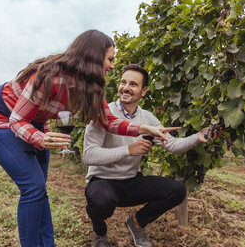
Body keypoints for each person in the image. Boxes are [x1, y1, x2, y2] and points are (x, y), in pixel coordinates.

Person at [0, 30, 175, 247]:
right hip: (0, 118)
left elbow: (109, 121)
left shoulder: (92, 88)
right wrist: (40, 138)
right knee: (33, 187)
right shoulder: (49, 78)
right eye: (110, 59)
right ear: (94, 57)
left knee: (40, 189)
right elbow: (17, 120)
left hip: (32, 123)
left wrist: (143, 127)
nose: (113, 66)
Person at [83, 64, 217, 247]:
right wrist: (129, 150)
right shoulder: (102, 113)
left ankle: (137, 223)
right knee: (100, 202)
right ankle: (99, 232)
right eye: (123, 82)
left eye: (133, 84)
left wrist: (197, 137)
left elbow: (172, 145)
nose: (126, 88)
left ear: (144, 91)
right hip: (102, 182)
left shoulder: (147, 118)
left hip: (130, 181)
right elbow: (89, 155)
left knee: (177, 190)